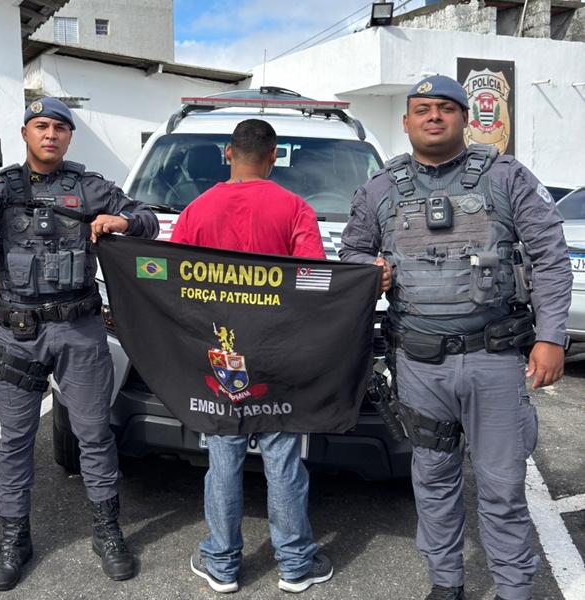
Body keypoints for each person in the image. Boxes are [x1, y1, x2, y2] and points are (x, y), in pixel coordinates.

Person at [339, 75, 572, 600]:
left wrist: (551, 336)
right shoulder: (379, 188)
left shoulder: (506, 177)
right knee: (433, 479)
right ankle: (446, 585)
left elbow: (550, 256)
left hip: (495, 360)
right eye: (423, 109)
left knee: (503, 487)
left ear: (465, 119)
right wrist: (368, 268)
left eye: (445, 108)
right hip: (419, 364)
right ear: (406, 121)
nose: (434, 117)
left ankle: (514, 589)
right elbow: (351, 251)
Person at [0, 97, 159, 591]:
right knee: (15, 439)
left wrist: (122, 222)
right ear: (25, 133)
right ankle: (13, 539)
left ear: (69, 136)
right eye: (41, 126)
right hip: (19, 332)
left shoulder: (90, 187)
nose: (51, 134)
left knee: (94, 434)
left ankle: (107, 531)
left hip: (79, 330)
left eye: (60, 128)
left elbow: (147, 220)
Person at [171, 118, 350, 594]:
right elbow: (313, 283)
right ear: (273, 157)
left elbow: (174, 283)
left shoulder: (195, 210)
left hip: (219, 355)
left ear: (228, 153)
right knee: (284, 458)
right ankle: (295, 565)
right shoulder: (295, 208)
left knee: (223, 458)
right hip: (279, 356)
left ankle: (221, 563)